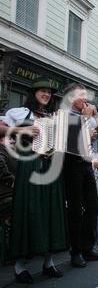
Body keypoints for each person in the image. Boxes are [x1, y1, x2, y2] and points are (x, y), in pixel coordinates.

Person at [0, 78, 67, 283]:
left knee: (51, 211)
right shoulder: (18, 113)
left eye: (49, 92)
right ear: (34, 93)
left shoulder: (54, 116)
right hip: (29, 166)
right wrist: (21, 130)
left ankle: (49, 262)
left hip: (50, 167)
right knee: (28, 210)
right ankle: (20, 267)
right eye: (42, 91)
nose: (46, 95)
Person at [61, 83, 98, 268]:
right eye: (81, 95)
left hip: (87, 165)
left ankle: (88, 247)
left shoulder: (87, 115)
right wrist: (85, 121)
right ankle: (76, 251)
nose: (85, 99)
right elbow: (70, 145)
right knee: (75, 210)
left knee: (92, 206)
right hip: (72, 166)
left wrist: (95, 116)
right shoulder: (64, 116)